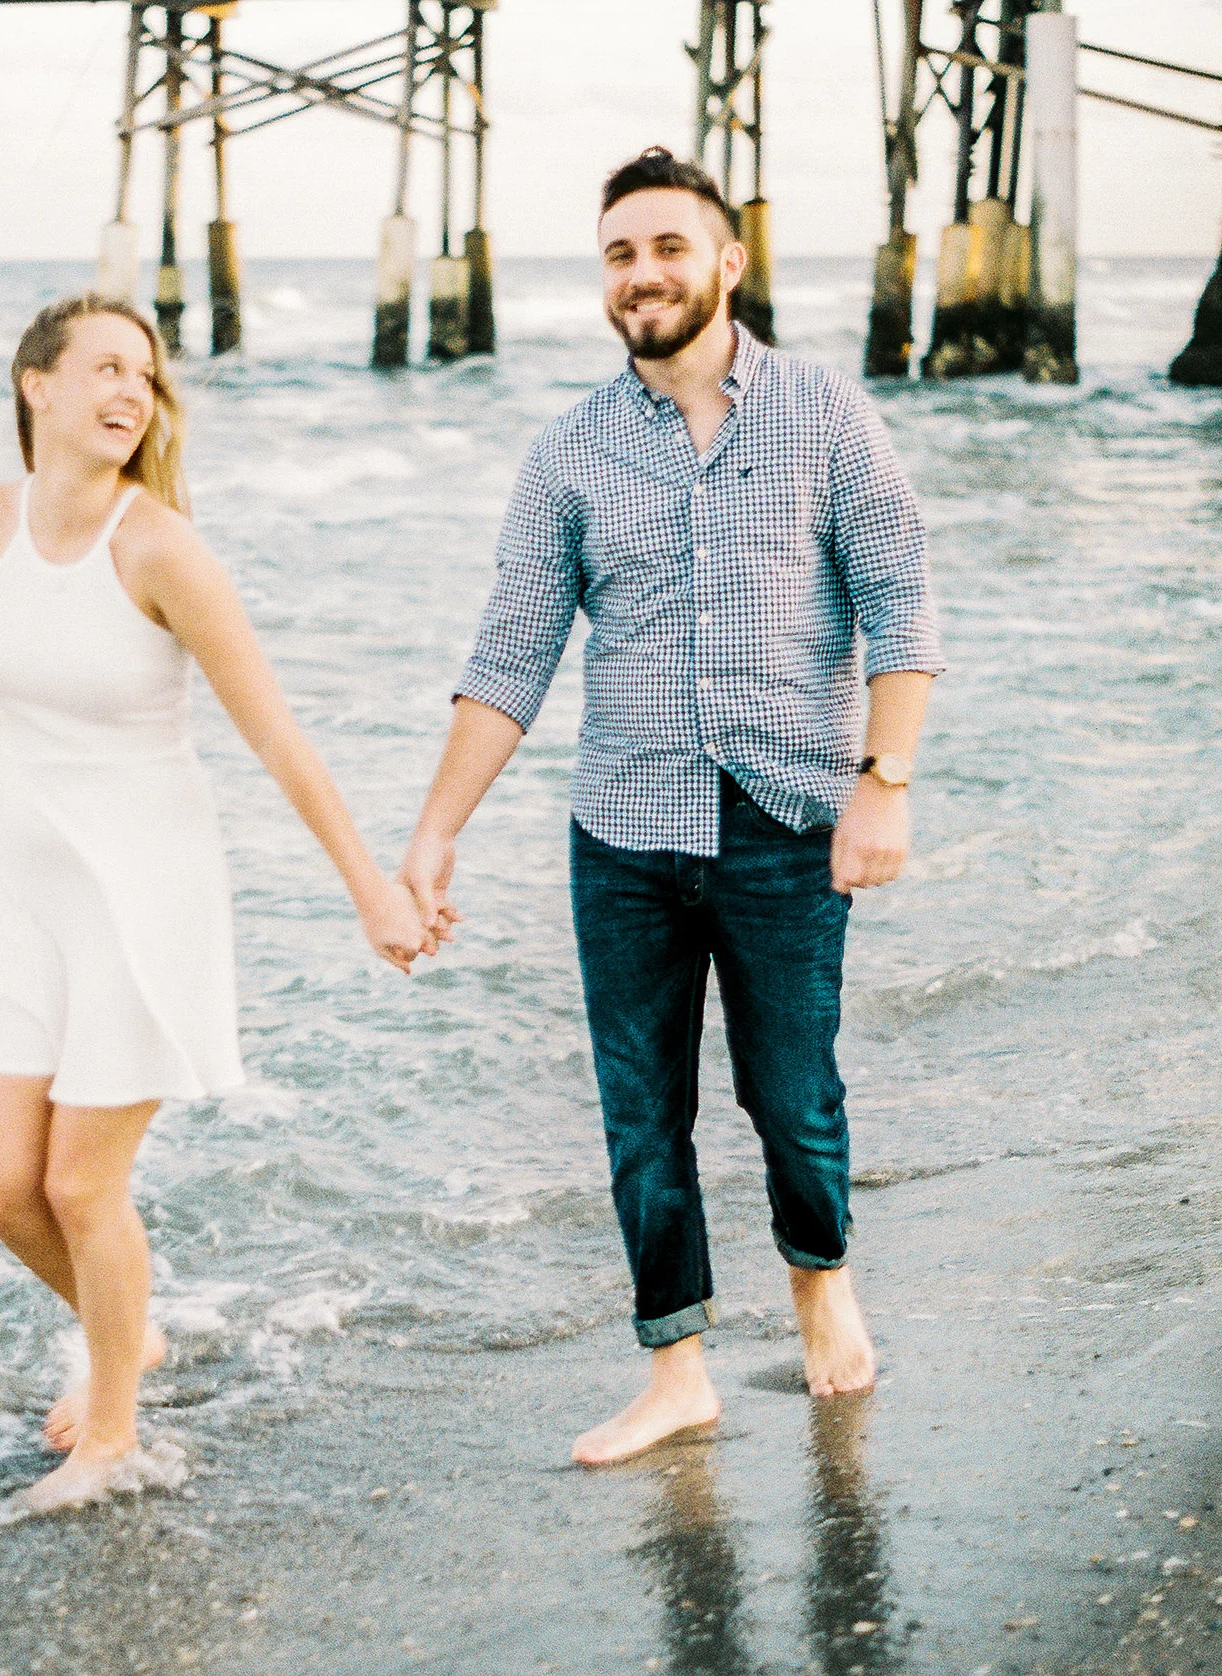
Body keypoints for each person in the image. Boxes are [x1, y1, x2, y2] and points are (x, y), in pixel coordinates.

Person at [399, 148, 943, 1465]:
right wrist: (434, 828)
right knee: (642, 1109)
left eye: (667, 248)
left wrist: (883, 783)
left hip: (787, 819)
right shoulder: (569, 452)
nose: (642, 274)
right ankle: (676, 1369)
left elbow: (901, 600)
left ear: (727, 263)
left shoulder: (823, 412)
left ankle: (821, 1282)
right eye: (620, 254)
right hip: (624, 834)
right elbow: (512, 654)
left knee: (790, 1092)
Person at [0, 293, 428, 1513]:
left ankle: (111, 1432)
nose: (131, 391)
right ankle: (131, 1327)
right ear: (36, 384)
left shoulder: (159, 549)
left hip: (140, 895)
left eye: (146, 375)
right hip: (18, 889)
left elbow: (275, 734)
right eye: (106, 366)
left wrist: (369, 887)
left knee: (79, 1186)